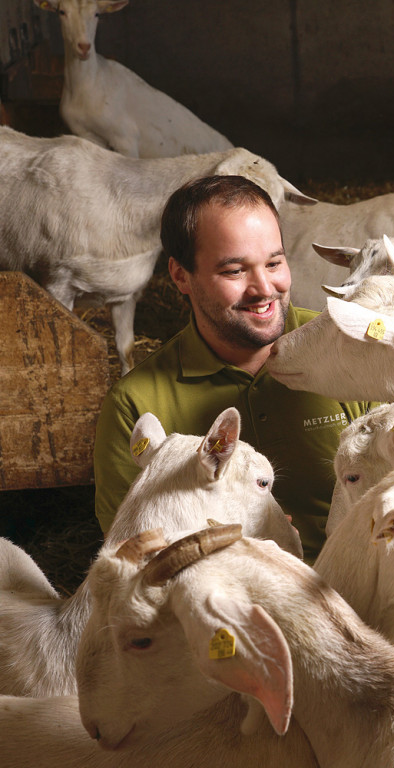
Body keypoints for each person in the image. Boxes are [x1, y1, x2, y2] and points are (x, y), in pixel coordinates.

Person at [93, 175, 373, 562]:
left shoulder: (354, 348)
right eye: (234, 271)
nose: (264, 288)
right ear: (180, 276)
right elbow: (133, 563)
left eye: (274, 262)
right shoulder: (136, 404)